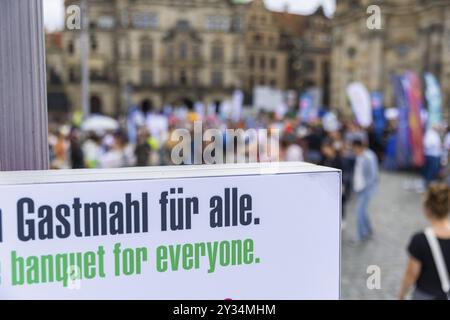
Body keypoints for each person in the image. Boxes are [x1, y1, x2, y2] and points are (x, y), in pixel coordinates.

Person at [399, 183, 450, 300]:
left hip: (424, 295)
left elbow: (411, 274)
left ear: (427, 209)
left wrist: (401, 295)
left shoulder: (420, 240)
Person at [352, 139, 379, 242]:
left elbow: (372, 176)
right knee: (362, 211)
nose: (353, 151)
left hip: (366, 190)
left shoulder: (368, 157)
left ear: (359, 147)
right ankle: (369, 229)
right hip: (360, 188)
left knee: (359, 212)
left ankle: (360, 235)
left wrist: (365, 189)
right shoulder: (360, 156)